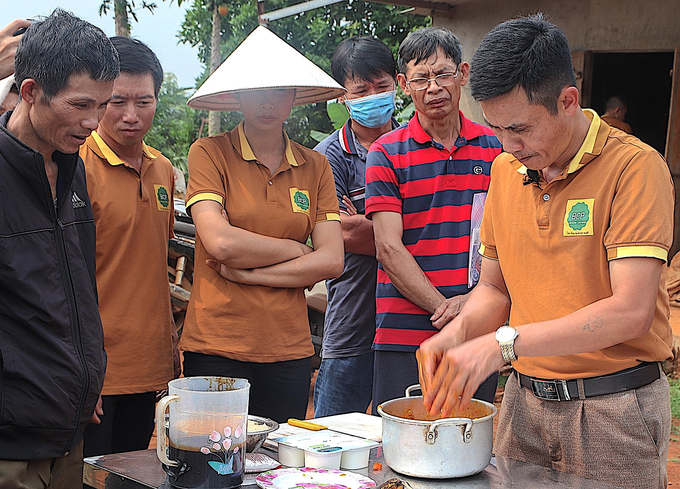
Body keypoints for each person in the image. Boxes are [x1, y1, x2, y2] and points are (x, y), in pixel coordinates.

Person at [417, 14, 673, 489]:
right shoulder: (503, 173)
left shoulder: (635, 169)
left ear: (567, 101)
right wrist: (457, 335)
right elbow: (493, 289)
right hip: (523, 408)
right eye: (496, 129)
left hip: (613, 412)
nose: (509, 146)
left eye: (520, 129)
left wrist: (501, 346)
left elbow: (631, 312)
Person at [181, 26, 345, 423]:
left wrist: (252, 276)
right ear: (238, 96)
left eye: (278, 92)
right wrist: (295, 249)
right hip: (217, 343)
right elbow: (220, 243)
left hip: (289, 348)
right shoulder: (209, 152)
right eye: (256, 92)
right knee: (212, 466)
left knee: (276, 469)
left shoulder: (315, 165)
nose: (267, 103)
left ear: (293, 97)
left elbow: (332, 261)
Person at [0, 9, 118, 488]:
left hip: (68, 427)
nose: (94, 122)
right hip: (10, 442)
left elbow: (77, 288)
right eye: (80, 105)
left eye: (102, 106)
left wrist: (83, 376)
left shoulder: (72, 168)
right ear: (30, 92)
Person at [365, 27, 502, 412]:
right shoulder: (386, 153)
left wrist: (472, 309)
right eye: (422, 78)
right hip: (401, 331)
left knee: (469, 438)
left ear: (463, 74)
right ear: (404, 84)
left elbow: (507, 240)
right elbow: (389, 248)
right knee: (403, 439)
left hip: (477, 329)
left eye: (443, 74)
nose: (434, 87)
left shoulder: (498, 150)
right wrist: (447, 307)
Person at [79, 36, 178, 457]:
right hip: (95, 368)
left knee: (137, 473)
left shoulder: (164, 169)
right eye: (117, 101)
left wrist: (171, 343)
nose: (131, 116)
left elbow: (156, 263)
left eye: (144, 101)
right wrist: (80, 370)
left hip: (150, 364)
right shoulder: (75, 165)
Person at [312, 37, 398, 417]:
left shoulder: (414, 145)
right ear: (343, 98)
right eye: (362, 91)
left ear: (398, 83)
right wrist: (401, 226)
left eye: (382, 87)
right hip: (352, 319)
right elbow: (339, 235)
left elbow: (436, 222)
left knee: (403, 439)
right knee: (331, 440)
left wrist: (364, 224)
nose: (374, 97)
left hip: (406, 321)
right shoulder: (328, 156)